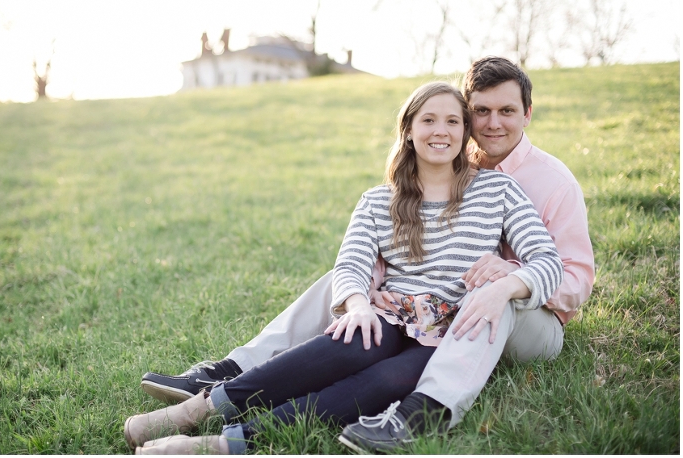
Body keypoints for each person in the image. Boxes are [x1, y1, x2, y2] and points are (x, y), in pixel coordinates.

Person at [123, 81, 564, 454]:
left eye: (453, 121)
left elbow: (547, 261)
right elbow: (350, 263)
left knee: (387, 379)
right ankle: (197, 410)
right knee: (351, 342)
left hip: (450, 331)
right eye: (428, 120)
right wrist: (357, 306)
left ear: (465, 132)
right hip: (392, 313)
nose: (440, 131)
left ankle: (226, 443)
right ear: (409, 131)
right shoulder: (378, 200)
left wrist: (506, 286)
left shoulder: (497, 190)